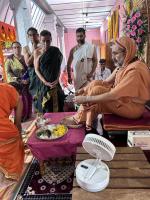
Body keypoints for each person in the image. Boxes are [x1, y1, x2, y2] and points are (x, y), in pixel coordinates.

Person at [62, 36, 150, 132]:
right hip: (122, 102)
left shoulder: (135, 70)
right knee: (95, 89)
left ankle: (78, 119)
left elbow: (113, 95)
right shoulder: (124, 65)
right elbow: (105, 82)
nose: (112, 58)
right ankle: (81, 119)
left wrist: (85, 98)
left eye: (115, 53)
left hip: (132, 108)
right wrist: (83, 90)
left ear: (127, 52)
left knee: (96, 91)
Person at [0, 83, 24, 197]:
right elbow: (19, 100)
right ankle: (10, 178)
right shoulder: (6, 88)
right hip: (6, 131)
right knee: (16, 143)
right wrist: (17, 124)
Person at [34, 30, 65, 113]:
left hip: (55, 83)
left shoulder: (56, 51)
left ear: (51, 40)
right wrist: (45, 82)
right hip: (43, 84)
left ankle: (58, 124)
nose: (46, 43)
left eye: (48, 41)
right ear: (40, 40)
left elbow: (58, 67)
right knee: (46, 106)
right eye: (43, 41)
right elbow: (36, 69)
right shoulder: (37, 52)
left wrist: (57, 78)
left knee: (57, 105)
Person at [5, 41, 32, 121]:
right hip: (17, 85)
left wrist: (28, 79)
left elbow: (30, 70)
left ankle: (28, 115)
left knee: (28, 99)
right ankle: (21, 118)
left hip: (27, 83)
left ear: (21, 48)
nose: (17, 49)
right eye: (15, 47)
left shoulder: (26, 58)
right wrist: (18, 79)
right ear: (12, 49)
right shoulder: (9, 59)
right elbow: (8, 72)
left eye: (18, 47)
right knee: (20, 101)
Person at [23, 27, 40, 97]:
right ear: (28, 36)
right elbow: (28, 63)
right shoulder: (26, 48)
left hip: (43, 72)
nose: (32, 37)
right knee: (36, 96)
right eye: (30, 35)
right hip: (33, 74)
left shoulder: (43, 45)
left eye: (34, 34)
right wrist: (35, 51)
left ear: (37, 35)